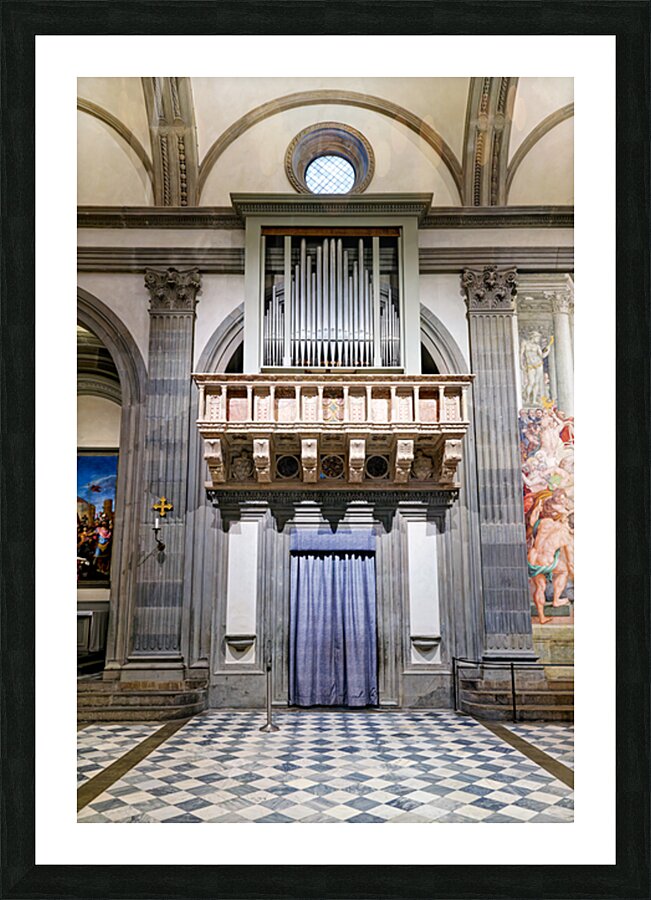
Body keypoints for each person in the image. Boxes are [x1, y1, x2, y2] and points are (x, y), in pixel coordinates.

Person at [527, 491, 574, 624]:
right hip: (546, 560)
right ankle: (556, 600)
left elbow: (532, 522)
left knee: (540, 587)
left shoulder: (542, 523)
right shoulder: (563, 533)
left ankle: (541, 617)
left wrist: (537, 508)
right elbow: (570, 561)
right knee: (563, 571)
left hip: (532, 558)